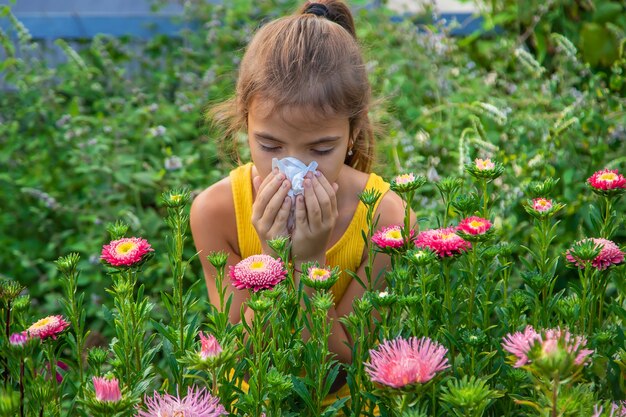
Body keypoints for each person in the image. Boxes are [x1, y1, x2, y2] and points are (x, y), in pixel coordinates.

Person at [190, 0, 414, 397]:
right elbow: (244, 354)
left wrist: (310, 263)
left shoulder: (385, 216)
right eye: (270, 144)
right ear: (245, 122)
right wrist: (271, 258)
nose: (293, 169)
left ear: (353, 131)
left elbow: (346, 359)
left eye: (321, 149)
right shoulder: (216, 211)